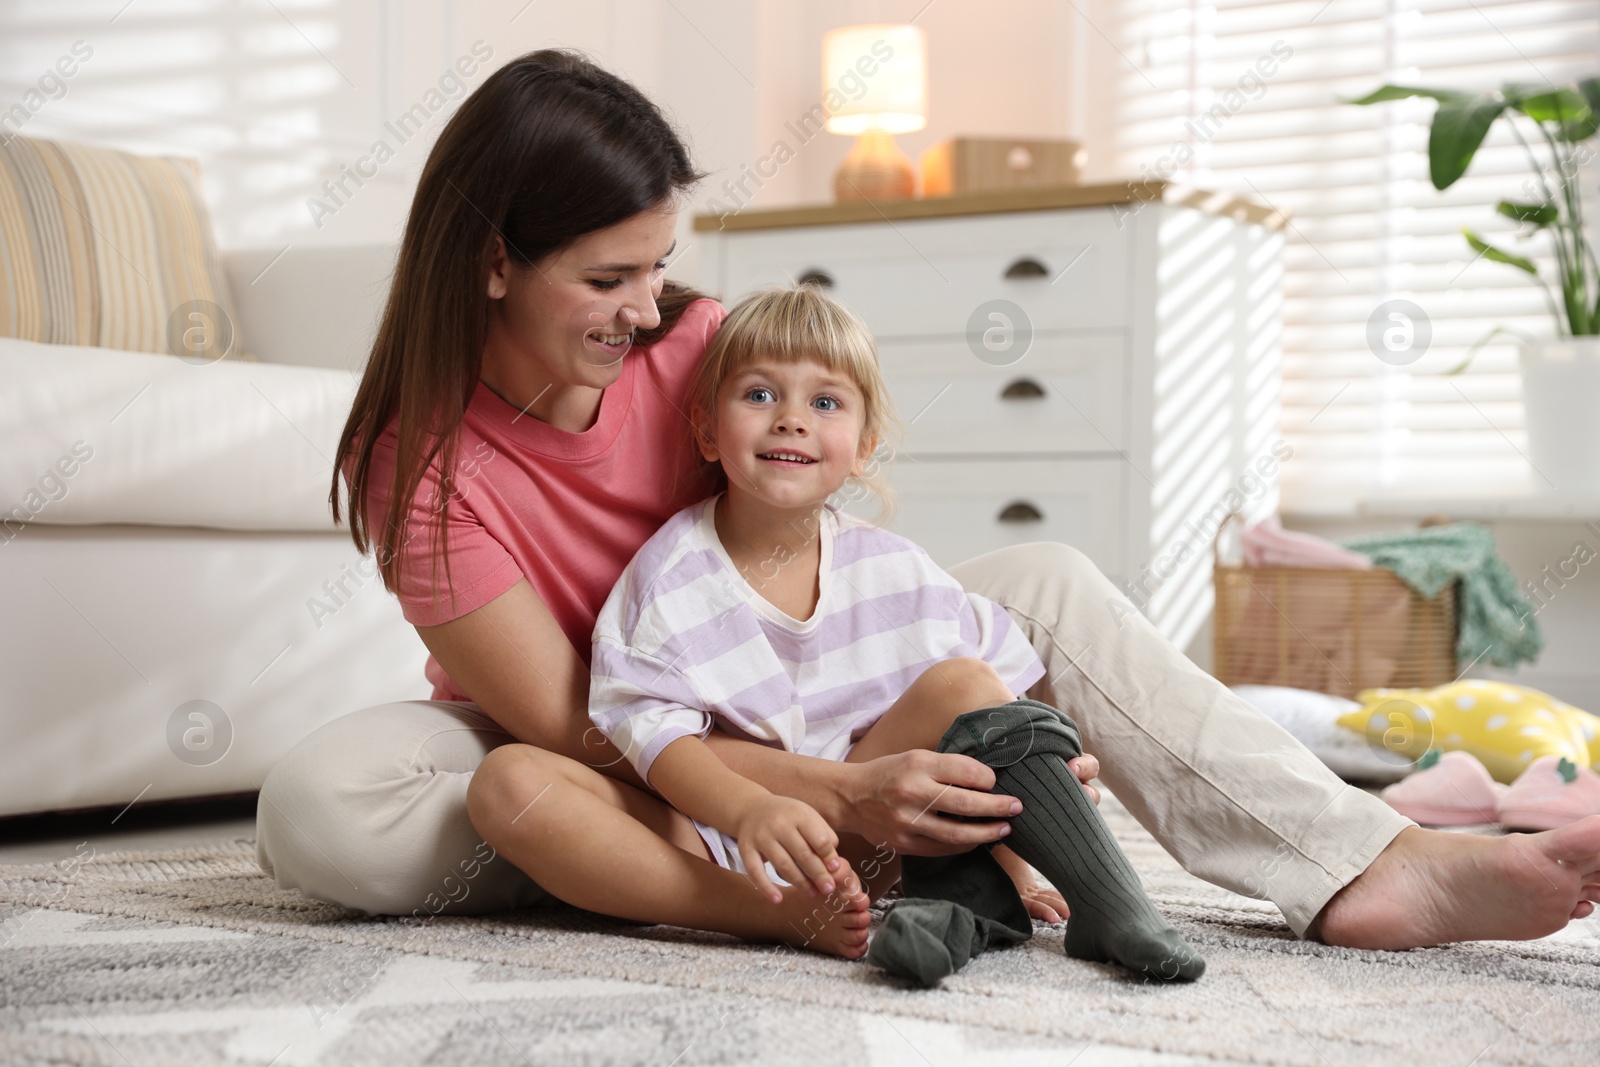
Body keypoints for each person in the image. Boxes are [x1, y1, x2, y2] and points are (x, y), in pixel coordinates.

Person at [255, 48, 1600, 954]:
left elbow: (835, 522)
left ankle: (1366, 863)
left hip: (798, 687)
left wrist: (961, 719)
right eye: (610, 277)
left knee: (1049, 582)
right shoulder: (421, 464)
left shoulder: (699, 347)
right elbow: (591, 721)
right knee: (335, 804)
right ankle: (783, 880)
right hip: (630, 742)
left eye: (661, 265)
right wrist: (850, 785)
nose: (649, 307)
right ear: (496, 260)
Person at [572, 284, 1206, 980]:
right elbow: (653, 733)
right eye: (758, 395)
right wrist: (751, 812)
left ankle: (1087, 899)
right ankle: (885, 912)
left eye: (825, 402)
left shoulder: (895, 571)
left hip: (886, 835)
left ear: (864, 444)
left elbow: (998, 706)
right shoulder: (670, 577)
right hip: (731, 846)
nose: (790, 420)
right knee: (515, 786)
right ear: (705, 428)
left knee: (967, 682)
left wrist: (1031, 831)